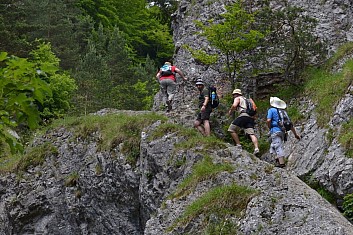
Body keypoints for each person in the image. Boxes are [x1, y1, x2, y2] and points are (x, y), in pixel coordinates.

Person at [266, 97, 301, 168]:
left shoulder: (271, 110)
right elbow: (290, 124)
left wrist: (270, 127)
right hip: (282, 132)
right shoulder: (283, 112)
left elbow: (268, 120)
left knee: (277, 146)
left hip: (275, 130)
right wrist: (295, 135)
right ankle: (277, 159)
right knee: (273, 146)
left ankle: (282, 164)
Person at [227, 89, 260, 155]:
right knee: (251, 134)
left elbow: (234, 105)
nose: (233, 96)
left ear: (236, 94)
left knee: (231, 129)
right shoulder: (247, 100)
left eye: (234, 94)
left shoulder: (237, 98)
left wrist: (230, 112)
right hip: (250, 117)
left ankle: (238, 145)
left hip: (243, 115)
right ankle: (256, 148)